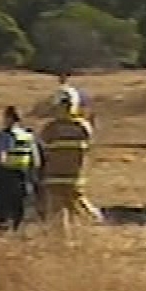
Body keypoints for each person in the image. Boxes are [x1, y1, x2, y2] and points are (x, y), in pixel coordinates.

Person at [38, 85, 100, 228]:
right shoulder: (83, 126)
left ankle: (93, 224)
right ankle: (92, 224)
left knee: (61, 211)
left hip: (56, 177)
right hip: (72, 177)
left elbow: (44, 150)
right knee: (71, 208)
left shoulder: (50, 128)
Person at [0, 105, 41, 231]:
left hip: (6, 176)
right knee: (18, 207)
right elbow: (35, 161)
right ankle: (15, 230)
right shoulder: (27, 136)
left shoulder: (5, 136)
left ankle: (2, 232)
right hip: (23, 176)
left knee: (1, 210)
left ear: (8, 118)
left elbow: (1, 158)